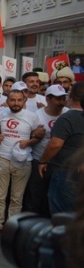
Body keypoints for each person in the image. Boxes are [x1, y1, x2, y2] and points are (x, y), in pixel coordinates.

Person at [0, 89, 44, 237]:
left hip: (23, 161)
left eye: (19, 100)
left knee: (16, 197)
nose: (15, 103)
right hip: (2, 159)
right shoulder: (1, 114)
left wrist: (29, 142)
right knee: (0, 196)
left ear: (24, 101)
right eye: (12, 100)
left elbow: (40, 135)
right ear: (7, 101)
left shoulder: (33, 117)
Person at [23, 84, 68, 217]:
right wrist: (34, 134)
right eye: (57, 99)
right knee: (35, 196)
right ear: (47, 99)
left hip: (59, 164)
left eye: (63, 98)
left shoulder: (67, 114)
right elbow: (26, 135)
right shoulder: (36, 115)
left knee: (55, 198)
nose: (61, 102)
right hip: (38, 161)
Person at [39, 82, 84, 214]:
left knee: (62, 214)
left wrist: (43, 160)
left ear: (70, 96)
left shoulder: (67, 118)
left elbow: (55, 144)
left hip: (65, 172)